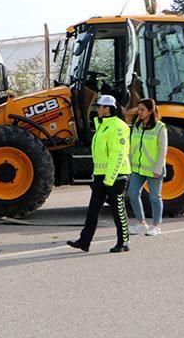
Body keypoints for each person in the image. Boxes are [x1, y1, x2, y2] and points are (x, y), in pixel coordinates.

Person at [68, 94, 131, 253]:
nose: (97, 109)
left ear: (108, 109)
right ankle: (84, 241)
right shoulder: (102, 125)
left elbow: (118, 154)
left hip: (116, 176)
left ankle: (123, 241)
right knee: (93, 210)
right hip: (101, 174)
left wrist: (110, 178)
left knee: (118, 210)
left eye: (100, 106)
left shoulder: (118, 126)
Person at [127, 98, 168, 236]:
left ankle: (156, 226)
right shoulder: (136, 126)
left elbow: (163, 150)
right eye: (138, 109)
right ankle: (141, 223)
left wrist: (157, 169)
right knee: (132, 194)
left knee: (155, 198)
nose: (139, 112)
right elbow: (132, 146)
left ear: (150, 111)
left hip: (153, 169)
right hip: (137, 168)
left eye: (142, 110)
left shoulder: (160, 127)